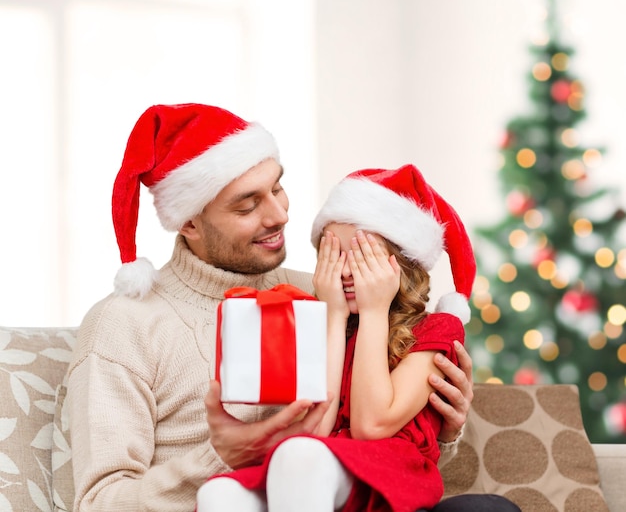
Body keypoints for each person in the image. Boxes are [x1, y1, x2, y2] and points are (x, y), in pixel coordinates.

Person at [65, 103, 508, 511]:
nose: (279, 215)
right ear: (189, 222)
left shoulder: (331, 291)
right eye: (248, 204)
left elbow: (375, 446)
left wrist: (441, 424)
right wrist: (218, 457)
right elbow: (99, 503)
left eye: (278, 187)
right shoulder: (123, 324)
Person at [195, 165, 520, 512]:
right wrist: (334, 315)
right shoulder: (316, 324)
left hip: (387, 477)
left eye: (363, 257)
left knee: (298, 454)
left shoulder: (437, 329)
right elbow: (316, 430)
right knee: (219, 494)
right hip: (320, 471)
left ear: (402, 263)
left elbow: (372, 425)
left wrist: (374, 311)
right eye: (334, 256)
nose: (347, 271)